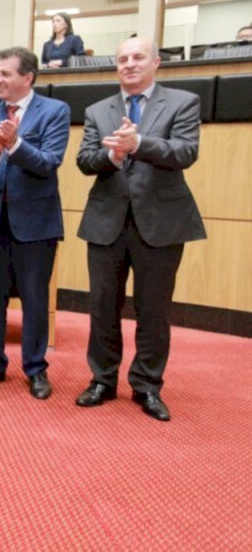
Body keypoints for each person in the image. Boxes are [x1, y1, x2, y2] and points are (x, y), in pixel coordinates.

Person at [75, 37, 206, 422]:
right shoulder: (99, 109)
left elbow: (185, 152)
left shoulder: (182, 102)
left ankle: (147, 385)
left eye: (137, 58)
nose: (129, 64)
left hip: (161, 224)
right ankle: (102, 379)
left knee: (153, 310)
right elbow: (85, 160)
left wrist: (139, 143)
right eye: (122, 59)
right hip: (105, 222)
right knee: (102, 306)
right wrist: (112, 156)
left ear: (156, 63)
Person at [0, 47, 70, 400]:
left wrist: (16, 143)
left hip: (36, 224)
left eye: (5, 74)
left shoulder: (55, 111)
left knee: (35, 301)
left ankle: (35, 368)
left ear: (28, 77)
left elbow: (49, 162)